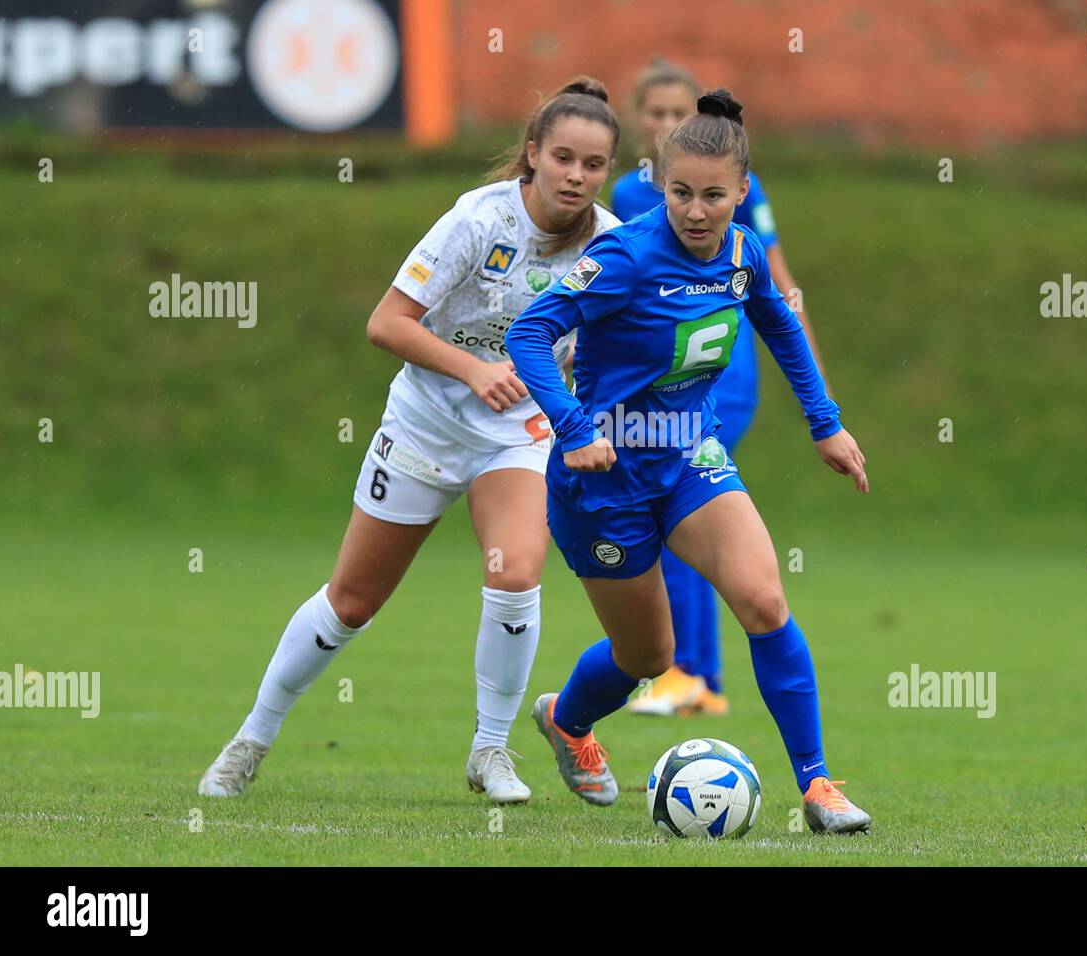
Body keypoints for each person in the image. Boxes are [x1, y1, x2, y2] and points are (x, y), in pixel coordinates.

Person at [196, 78, 621, 805]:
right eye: (563, 158)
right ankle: (251, 740)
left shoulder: (612, 245)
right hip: (425, 425)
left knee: (516, 573)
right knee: (352, 602)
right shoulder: (477, 220)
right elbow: (386, 323)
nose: (577, 176)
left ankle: (491, 751)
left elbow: (604, 346)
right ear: (532, 156)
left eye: (593, 164)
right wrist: (473, 369)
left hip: (516, 435)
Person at [505, 89, 872, 833]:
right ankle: (566, 720)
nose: (696, 211)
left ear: (743, 191)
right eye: (680, 193)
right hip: (602, 482)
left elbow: (779, 322)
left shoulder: (741, 253)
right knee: (647, 655)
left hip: (688, 460)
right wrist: (574, 427)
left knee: (765, 602)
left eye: (713, 195)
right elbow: (528, 335)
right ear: (659, 185)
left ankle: (818, 785)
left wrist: (824, 424)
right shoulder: (625, 256)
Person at [611, 59, 830, 717]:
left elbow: (775, 279)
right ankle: (699, 677)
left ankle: (689, 673)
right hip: (654, 386)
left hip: (719, 381)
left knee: (679, 509)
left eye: (683, 114)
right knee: (683, 515)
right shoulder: (627, 195)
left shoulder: (742, 188)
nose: (669, 124)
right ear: (638, 121)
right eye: (657, 114)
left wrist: (812, 385)